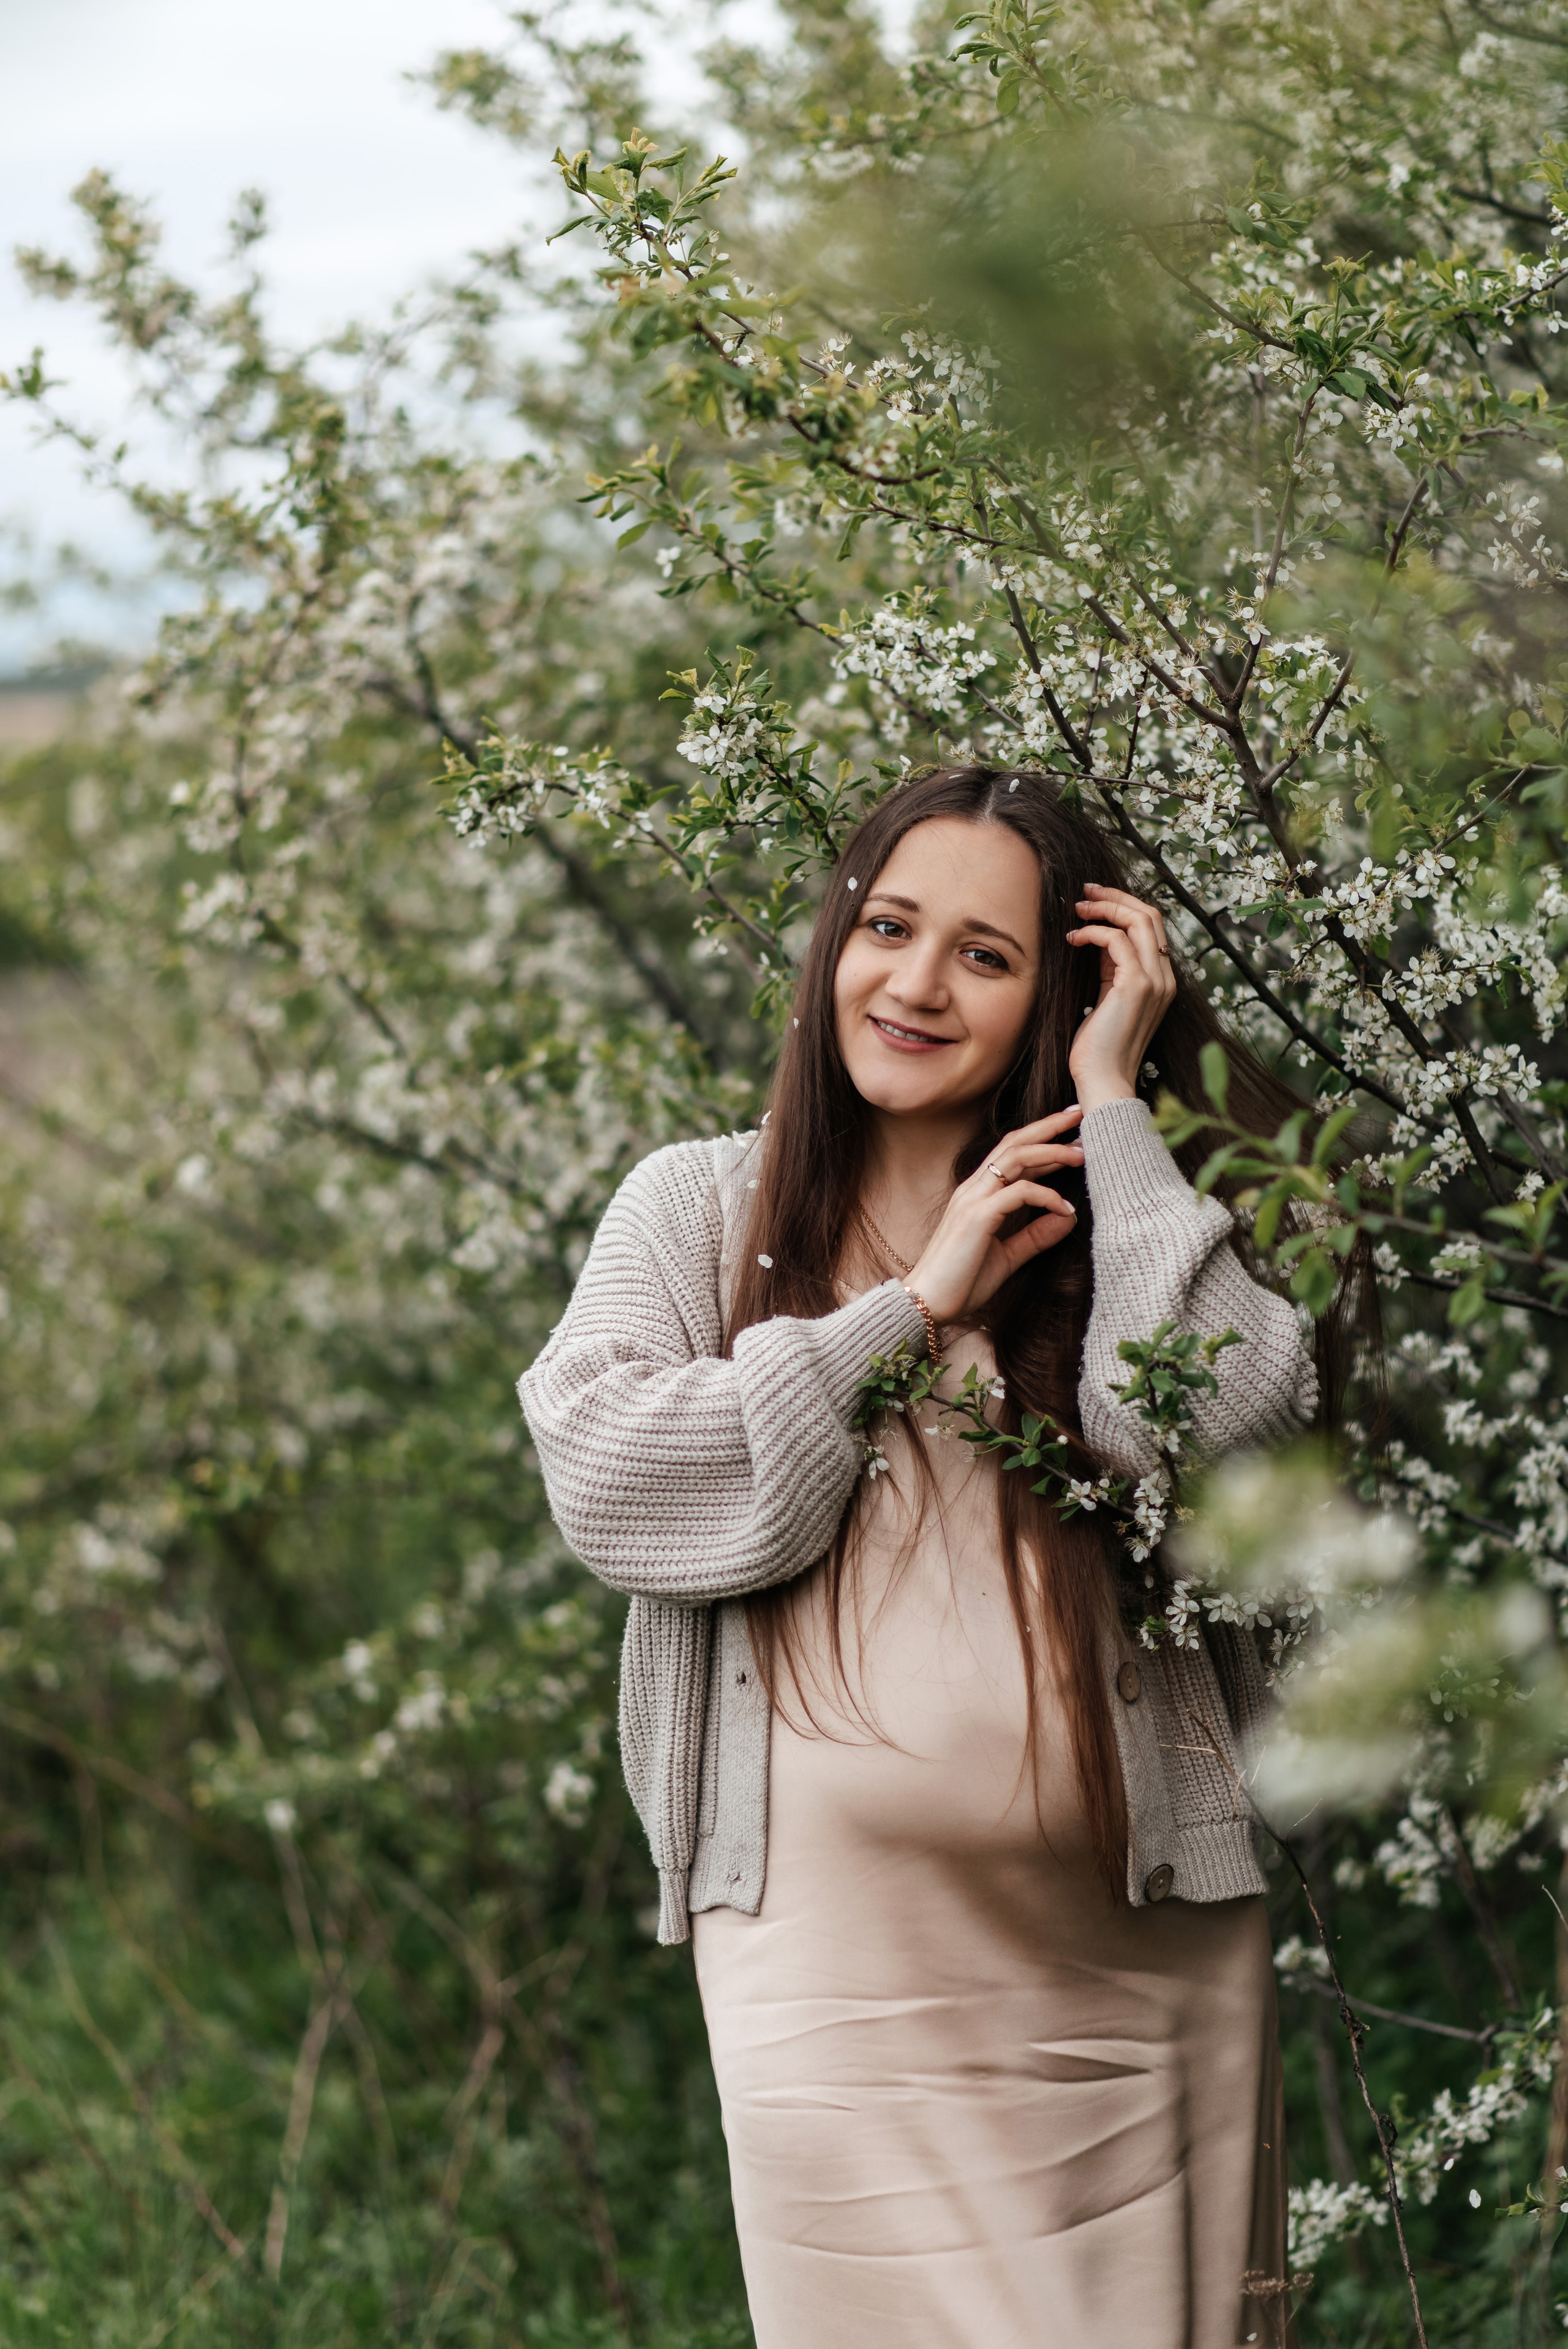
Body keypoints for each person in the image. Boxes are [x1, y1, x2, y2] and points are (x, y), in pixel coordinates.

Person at [520, 765, 1335, 2349]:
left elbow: (1231, 1419)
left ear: (1062, 990)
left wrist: (1116, 1104)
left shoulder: (1119, 1221)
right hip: (834, 1977)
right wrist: (906, 1313)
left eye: (986, 952)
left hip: (1138, 1973)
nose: (915, 982)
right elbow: (613, 1480)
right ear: (835, 939)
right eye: (889, 926)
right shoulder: (699, 1209)